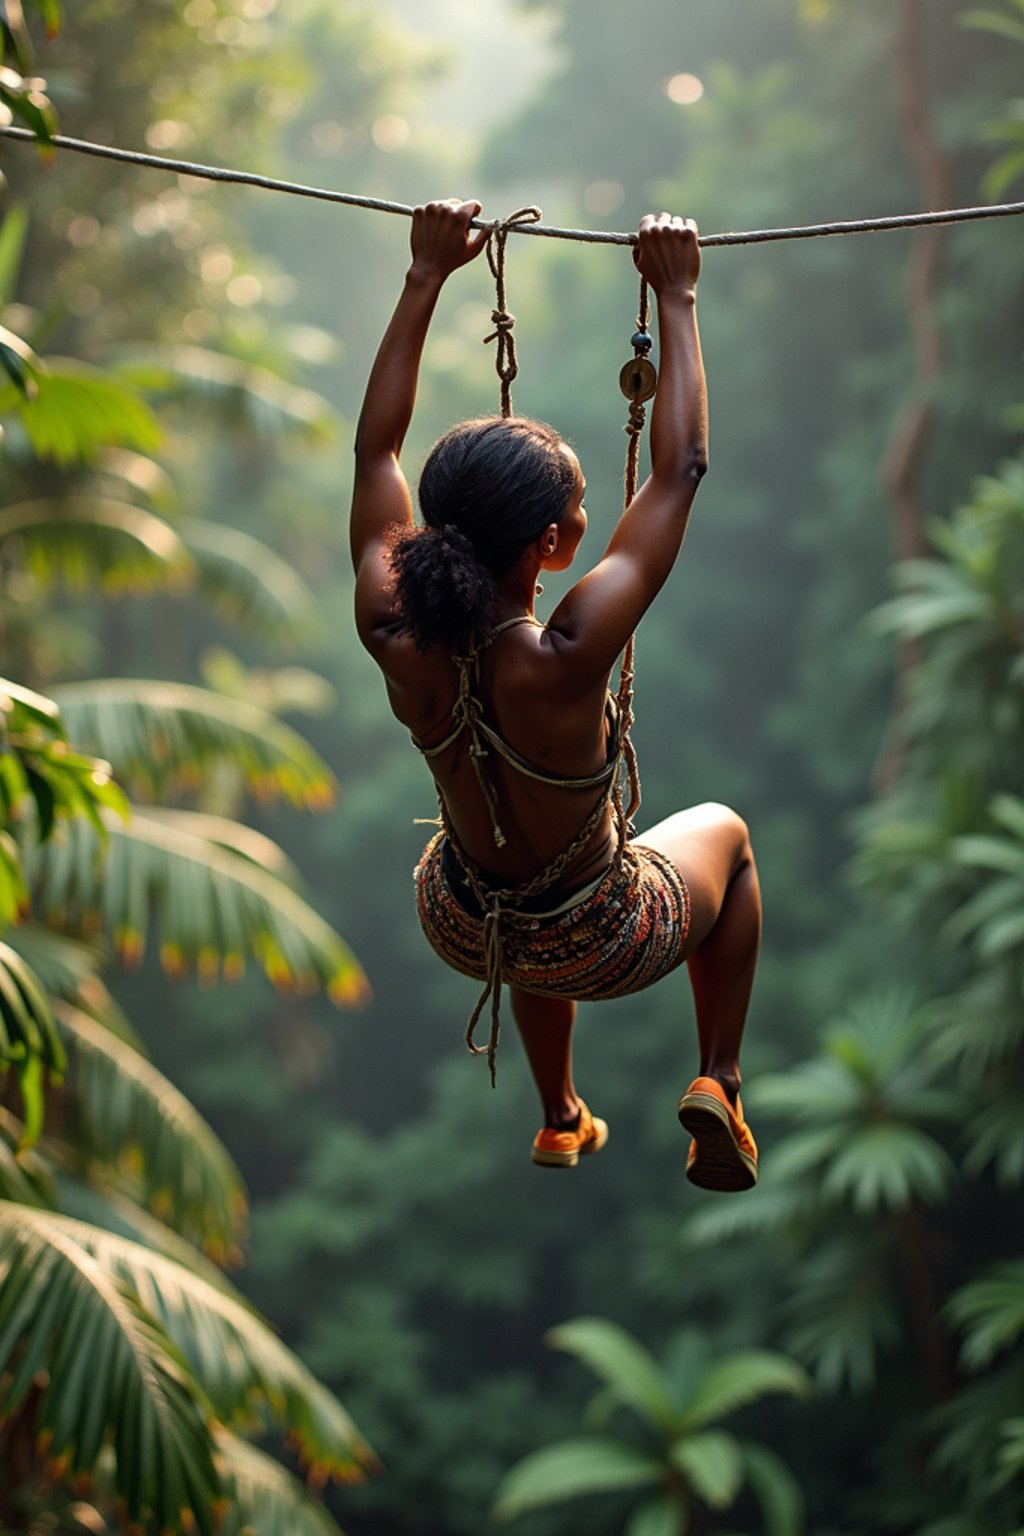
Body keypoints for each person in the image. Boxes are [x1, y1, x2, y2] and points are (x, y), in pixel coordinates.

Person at [351, 199, 761, 1192]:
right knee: (727, 834)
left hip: (461, 924)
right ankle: (720, 1077)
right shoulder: (567, 651)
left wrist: (422, 277)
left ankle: (558, 1114)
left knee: (521, 892)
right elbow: (682, 470)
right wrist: (678, 291)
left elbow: (374, 458)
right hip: (607, 937)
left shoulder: (391, 627)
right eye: (578, 511)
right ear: (551, 545)